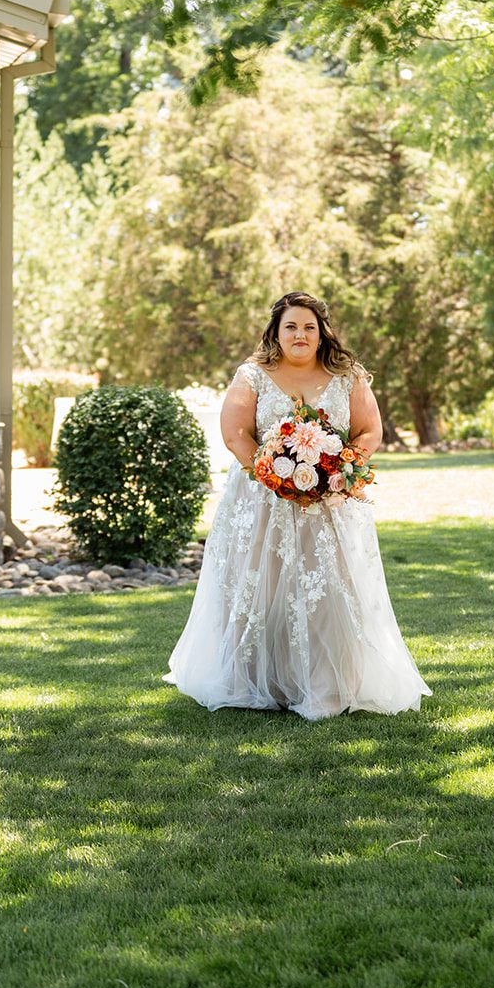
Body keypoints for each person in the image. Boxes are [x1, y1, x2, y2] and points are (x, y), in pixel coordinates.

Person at [166, 291, 431, 719]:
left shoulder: (347, 376)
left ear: (322, 332)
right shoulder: (252, 375)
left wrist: (338, 468)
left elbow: (369, 431)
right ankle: (258, 681)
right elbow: (236, 434)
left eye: (309, 327)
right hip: (261, 502)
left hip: (330, 504)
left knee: (327, 590)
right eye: (291, 326)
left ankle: (327, 686)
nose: (300, 335)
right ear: (276, 331)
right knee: (261, 589)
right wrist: (275, 474)